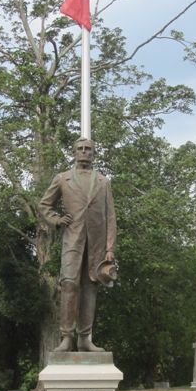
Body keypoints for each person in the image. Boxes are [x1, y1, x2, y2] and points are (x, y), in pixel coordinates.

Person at [40, 138, 117, 352]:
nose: (84, 152)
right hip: (72, 240)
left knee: (90, 288)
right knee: (69, 284)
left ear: (93, 153)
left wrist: (110, 248)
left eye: (88, 149)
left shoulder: (103, 181)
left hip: (96, 245)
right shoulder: (63, 179)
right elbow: (45, 205)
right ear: (74, 152)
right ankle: (66, 337)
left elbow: (111, 217)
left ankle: (85, 338)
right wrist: (56, 219)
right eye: (80, 149)